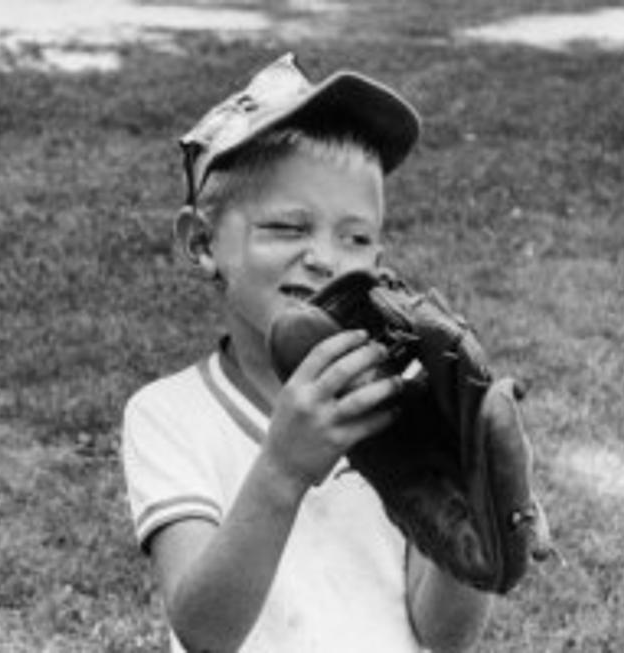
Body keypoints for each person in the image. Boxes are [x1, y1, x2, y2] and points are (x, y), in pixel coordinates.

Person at [122, 52, 492, 652]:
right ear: (200, 242)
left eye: (356, 237)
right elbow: (205, 633)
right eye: (289, 228)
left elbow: (443, 637)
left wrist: (476, 516)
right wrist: (285, 467)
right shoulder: (169, 415)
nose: (325, 257)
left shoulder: (402, 402)